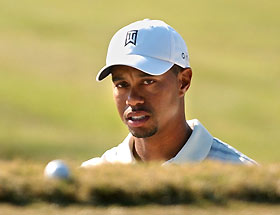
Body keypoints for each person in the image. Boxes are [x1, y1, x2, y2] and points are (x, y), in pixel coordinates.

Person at [82, 19, 257, 167]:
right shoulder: (89, 176)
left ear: (183, 82)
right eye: (122, 84)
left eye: (148, 82)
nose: (133, 99)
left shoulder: (242, 174)